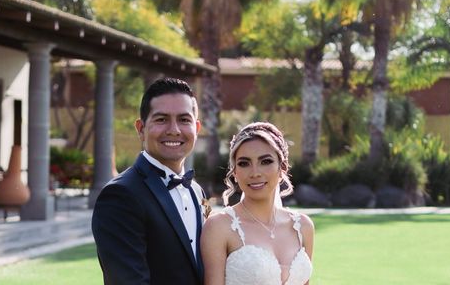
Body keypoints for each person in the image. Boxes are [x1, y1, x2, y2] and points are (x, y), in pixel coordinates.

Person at [92, 77, 206, 284]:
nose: (174, 130)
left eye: (184, 119)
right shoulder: (120, 195)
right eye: (161, 119)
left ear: (196, 128)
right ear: (141, 128)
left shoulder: (196, 191)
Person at [201, 122, 314, 285]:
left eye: (266, 161)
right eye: (244, 163)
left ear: (282, 167)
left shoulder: (303, 227)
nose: (255, 173)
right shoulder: (219, 227)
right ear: (235, 172)